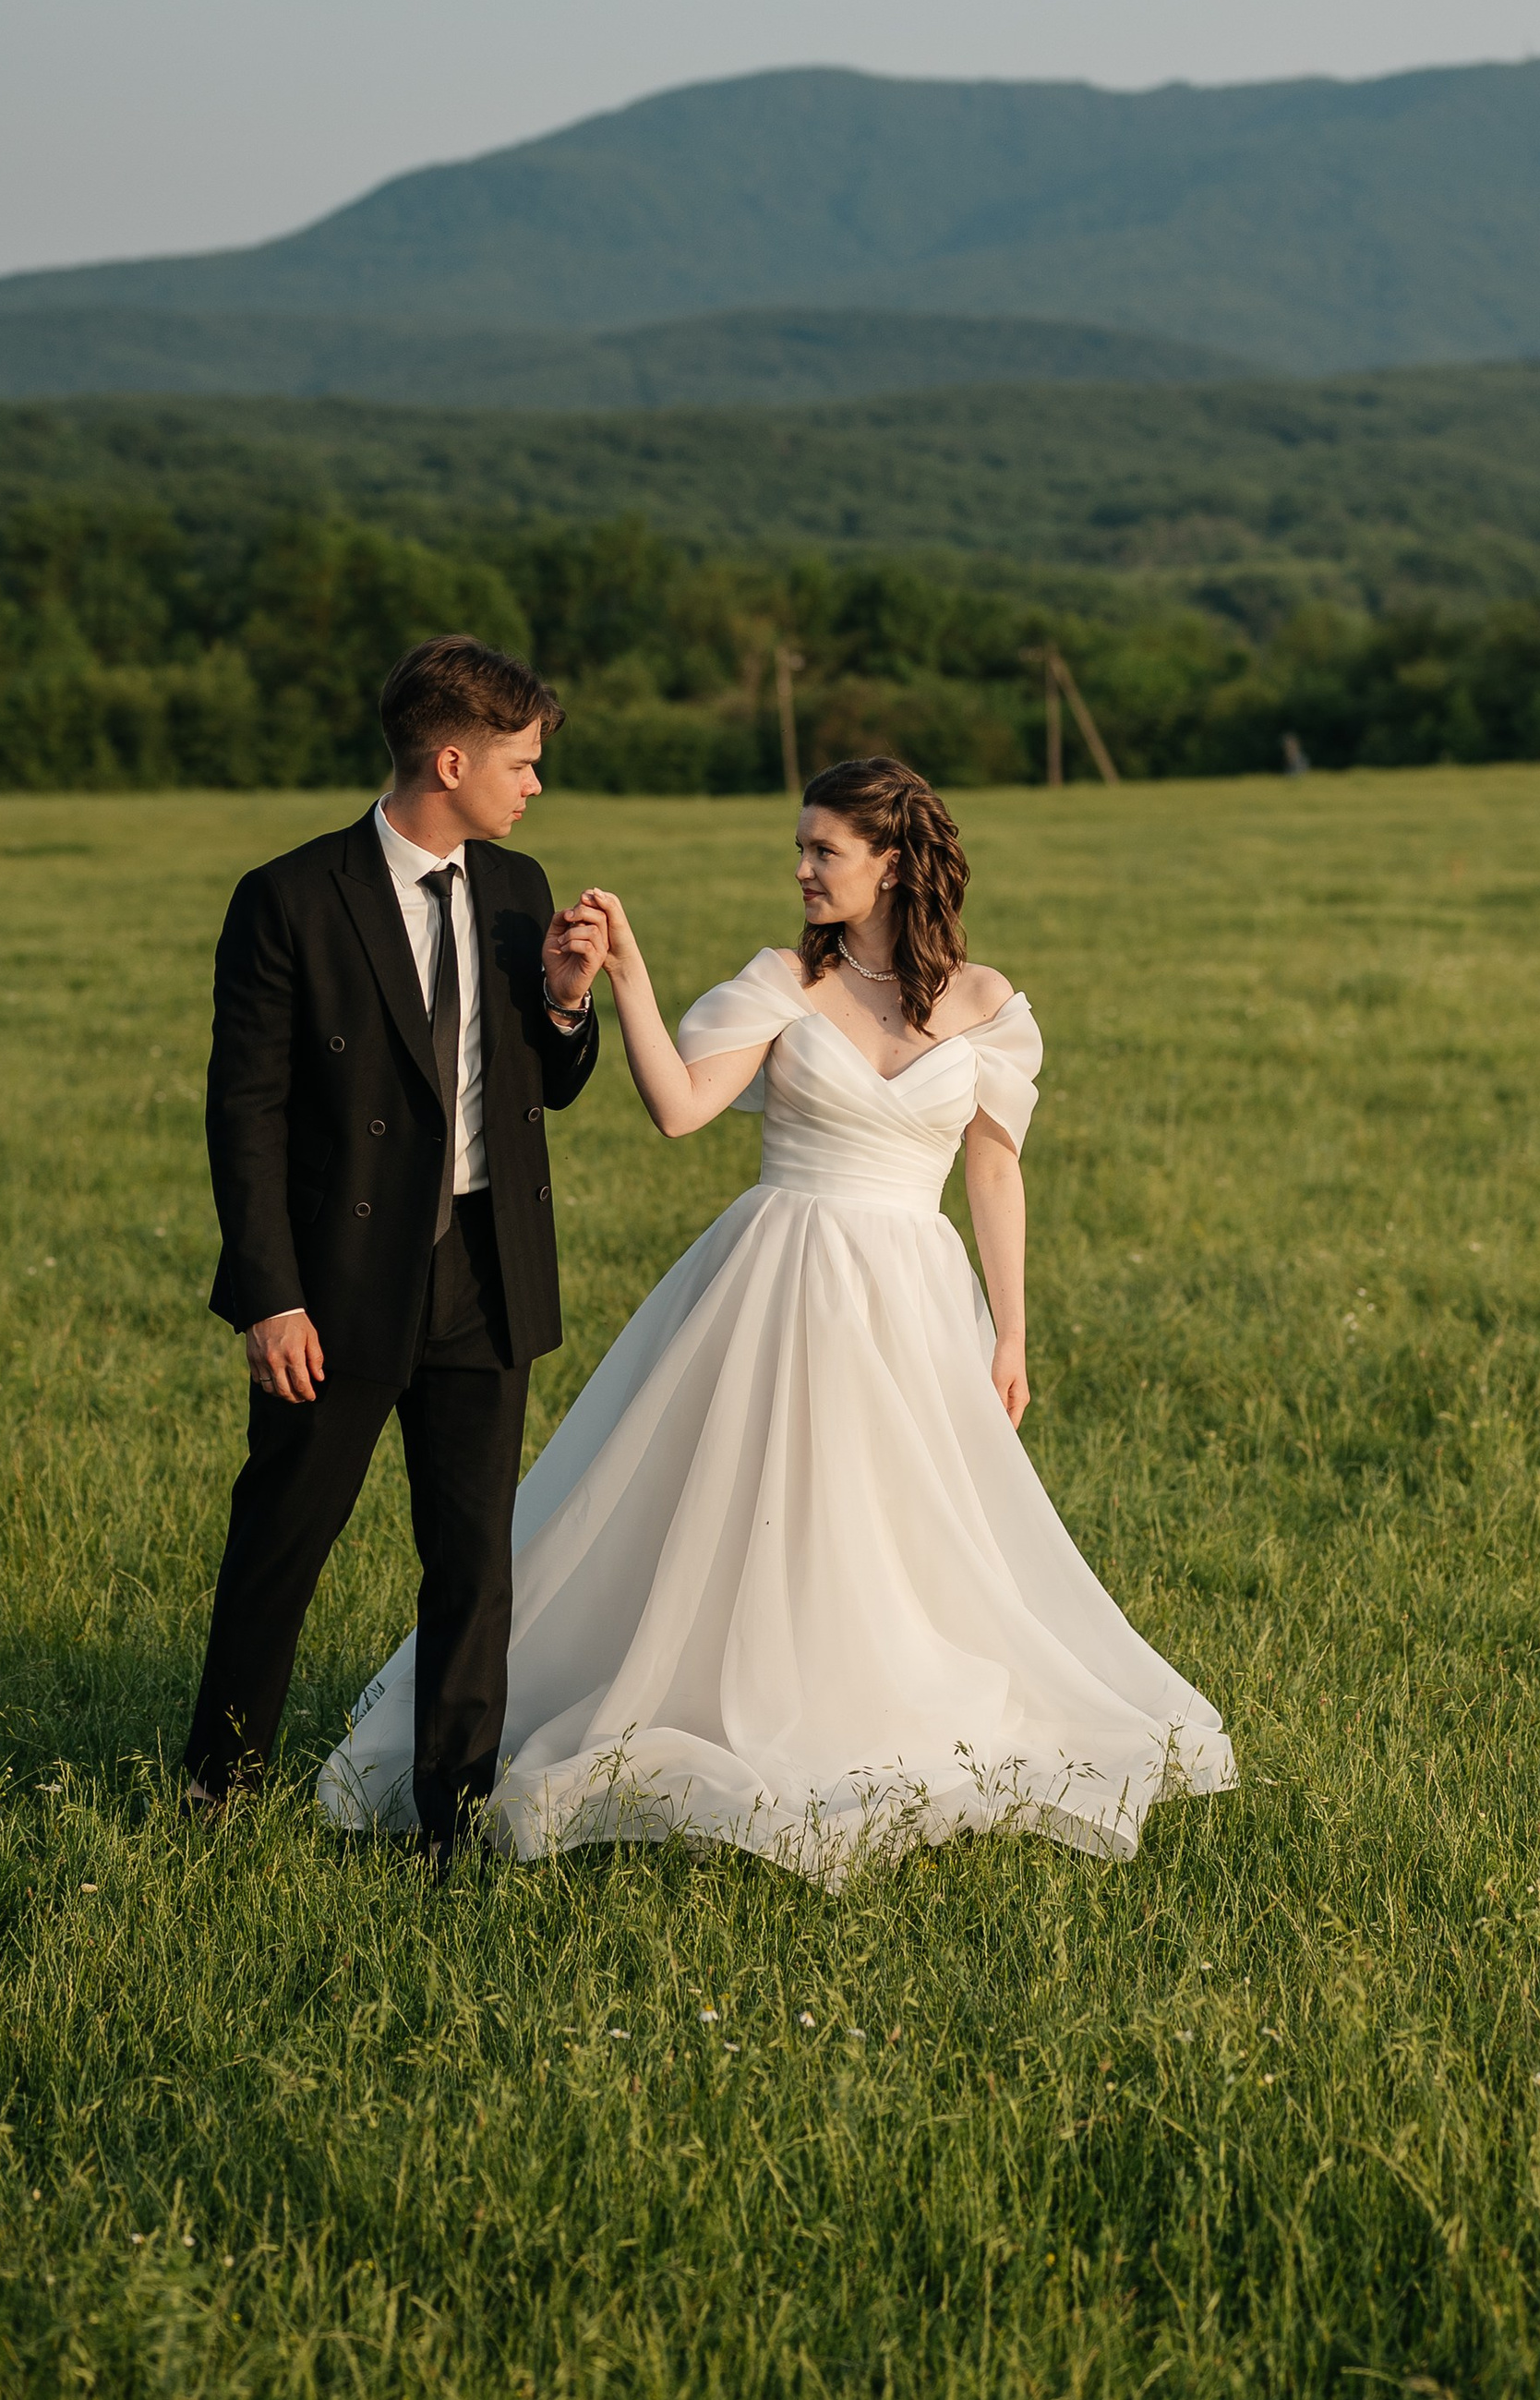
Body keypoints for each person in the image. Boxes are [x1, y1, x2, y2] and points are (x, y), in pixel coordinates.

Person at [321, 755, 1234, 1878]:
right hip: (780, 1274)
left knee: (896, 1515)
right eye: (798, 848)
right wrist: (633, 981)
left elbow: (995, 1173)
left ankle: (872, 1693)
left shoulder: (990, 1003)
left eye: (824, 851)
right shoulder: (779, 982)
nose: (801, 869)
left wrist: (1011, 1331)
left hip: (911, 1290)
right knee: (763, 1499)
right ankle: (735, 1692)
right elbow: (678, 1109)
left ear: (892, 863)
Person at [182, 634, 607, 1855]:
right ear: (451, 756)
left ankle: (452, 1819)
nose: (534, 787)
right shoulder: (290, 898)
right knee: (283, 1542)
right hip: (337, 1287)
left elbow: (549, 1087)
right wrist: (270, 1295)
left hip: (485, 1271)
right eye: (521, 764)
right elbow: (244, 1113)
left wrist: (569, 1001)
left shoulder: (522, 892)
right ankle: (220, 1789)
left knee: (474, 1560)